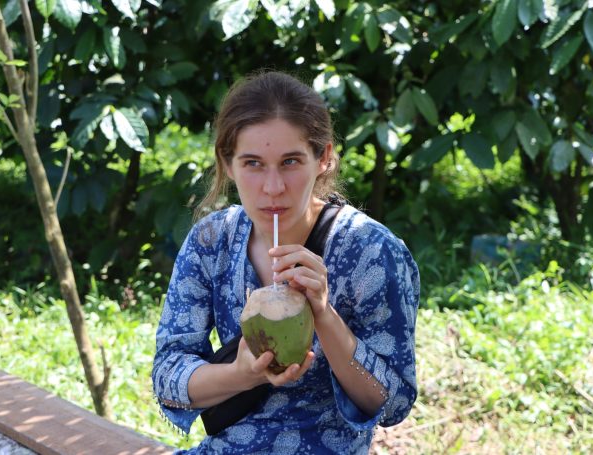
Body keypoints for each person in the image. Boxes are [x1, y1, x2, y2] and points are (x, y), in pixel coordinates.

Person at [152, 71, 419, 454]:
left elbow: (393, 404)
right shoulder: (213, 241)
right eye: (253, 163)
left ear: (323, 158)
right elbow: (166, 376)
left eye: (290, 161)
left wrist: (324, 314)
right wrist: (241, 375)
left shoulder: (371, 251)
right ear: (228, 163)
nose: (273, 187)